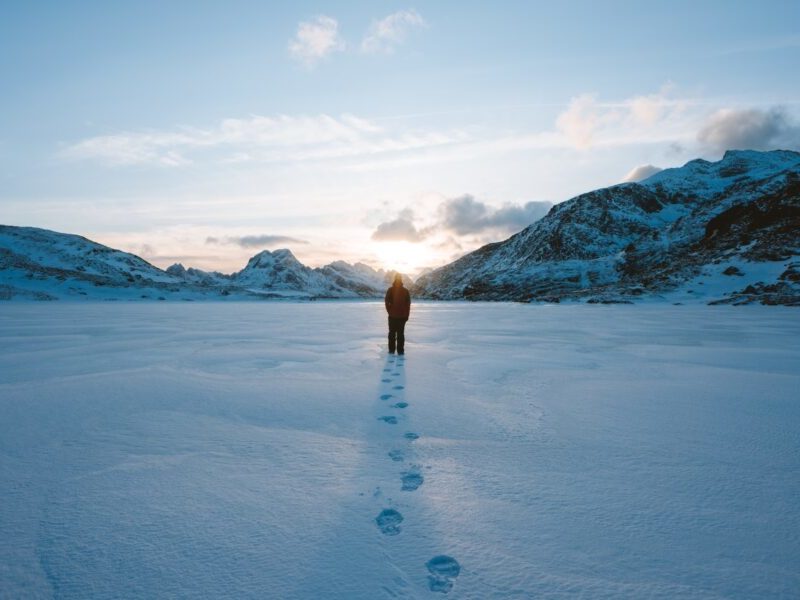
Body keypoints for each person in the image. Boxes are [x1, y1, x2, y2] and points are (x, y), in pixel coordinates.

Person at [384, 273, 411, 355]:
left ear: (394, 279)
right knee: (400, 334)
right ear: (401, 279)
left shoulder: (390, 289)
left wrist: (390, 311)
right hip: (402, 316)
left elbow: (386, 302)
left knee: (392, 333)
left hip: (392, 316)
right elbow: (408, 304)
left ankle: (391, 350)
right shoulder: (405, 291)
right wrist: (407, 315)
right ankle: (400, 351)